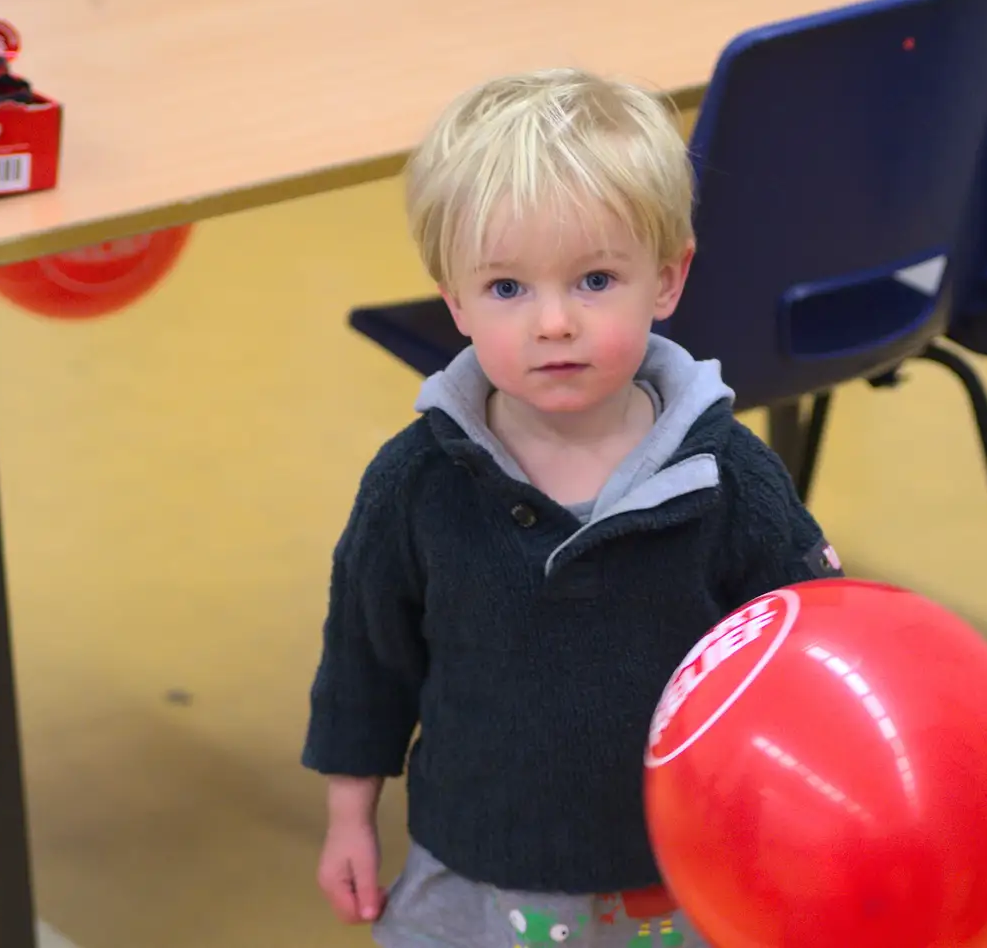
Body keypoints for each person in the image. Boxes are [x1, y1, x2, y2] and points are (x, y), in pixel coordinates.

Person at [302, 66, 843, 948]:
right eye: (508, 289)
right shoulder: (415, 485)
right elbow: (366, 661)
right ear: (455, 301)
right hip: (474, 874)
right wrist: (348, 816)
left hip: (679, 879)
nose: (553, 322)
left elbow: (809, 662)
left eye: (595, 280)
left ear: (666, 281)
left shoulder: (729, 480)